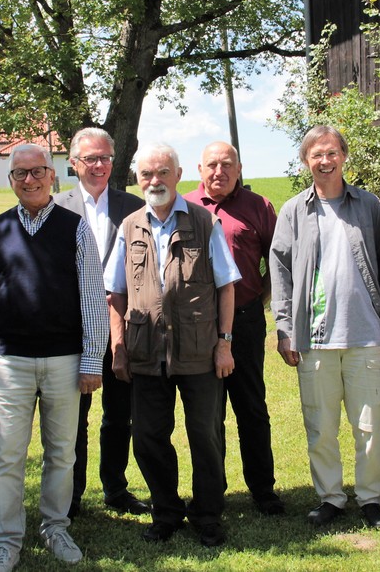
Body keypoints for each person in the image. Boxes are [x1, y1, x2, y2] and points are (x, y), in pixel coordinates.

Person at [0, 143, 108, 570]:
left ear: (52, 174)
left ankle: (55, 527)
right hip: (11, 360)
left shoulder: (75, 228)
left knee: (62, 451)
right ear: (10, 180)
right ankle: (6, 540)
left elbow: (92, 299)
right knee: (8, 454)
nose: (29, 179)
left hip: (66, 359)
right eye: (20, 173)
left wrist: (91, 360)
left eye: (37, 171)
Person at [105, 143, 240, 547]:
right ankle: (166, 512)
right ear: (137, 178)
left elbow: (226, 288)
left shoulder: (203, 222)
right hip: (145, 351)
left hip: (199, 350)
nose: (155, 181)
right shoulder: (129, 226)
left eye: (163, 172)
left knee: (205, 435)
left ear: (179, 174)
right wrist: (119, 345)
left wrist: (224, 344)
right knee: (148, 436)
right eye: (147, 174)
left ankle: (207, 514)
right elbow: (116, 292)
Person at [270, 124, 380, 529]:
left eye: (331, 153)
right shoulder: (293, 211)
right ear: (306, 161)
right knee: (320, 426)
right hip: (316, 338)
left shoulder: (370, 205)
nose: (325, 161)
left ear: (343, 155)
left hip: (366, 336)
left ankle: (372, 498)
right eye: (316, 155)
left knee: (370, 426)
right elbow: (281, 272)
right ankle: (331, 498)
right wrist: (285, 327)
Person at [183, 141, 284, 515]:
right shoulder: (185, 207)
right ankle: (212, 492)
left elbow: (277, 260)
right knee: (207, 413)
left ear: (239, 168)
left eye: (227, 165)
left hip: (244, 320)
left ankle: (263, 490)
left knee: (251, 406)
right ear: (199, 168)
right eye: (212, 165)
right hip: (197, 325)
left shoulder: (258, 207)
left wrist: (263, 299)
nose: (219, 172)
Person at [53, 128, 147, 519]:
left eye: (105, 158)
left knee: (119, 413)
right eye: (90, 158)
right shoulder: (54, 206)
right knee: (73, 416)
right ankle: (70, 495)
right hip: (70, 329)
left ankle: (115, 487)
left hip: (121, 326)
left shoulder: (134, 207)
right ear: (74, 163)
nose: (98, 165)